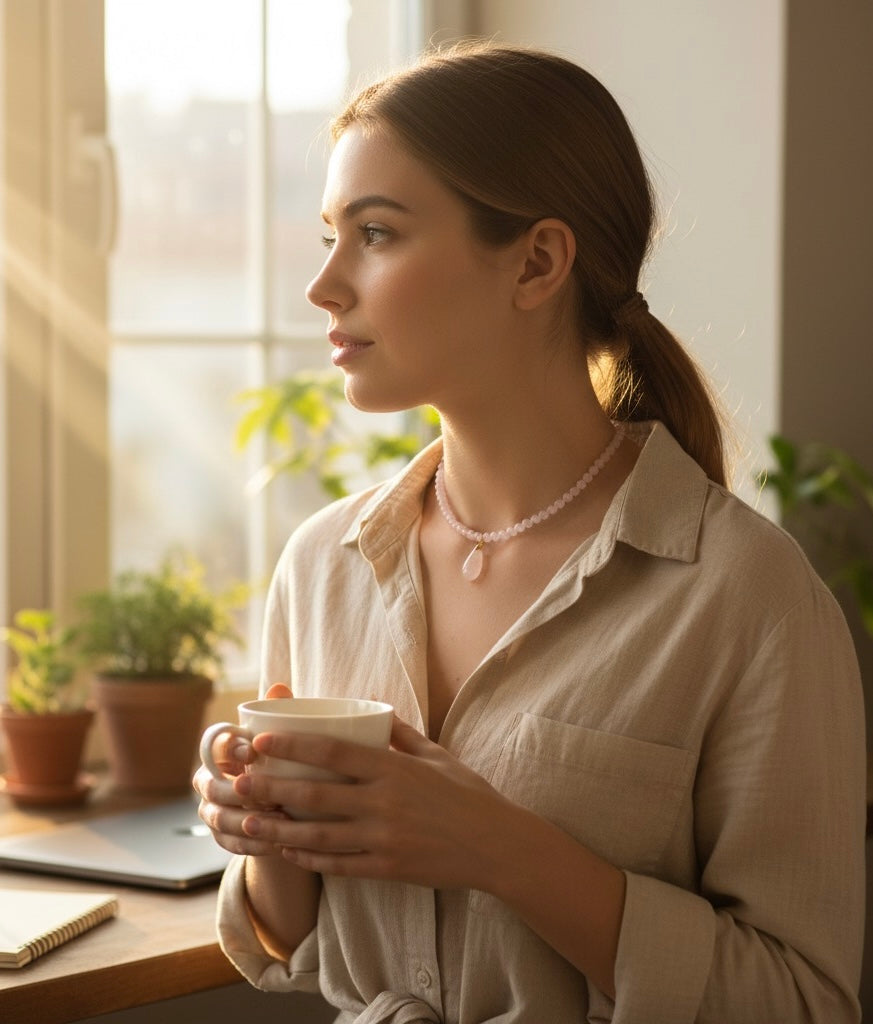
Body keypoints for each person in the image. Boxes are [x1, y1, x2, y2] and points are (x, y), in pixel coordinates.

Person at [193, 41, 866, 1023]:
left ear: (539, 261)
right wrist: (264, 835)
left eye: (375, 234)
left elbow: (804, 1002)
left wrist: (501, 847)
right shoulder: (323, 568)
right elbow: (286, 943)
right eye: (329, 235)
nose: (324, 285)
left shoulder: (750, 599)